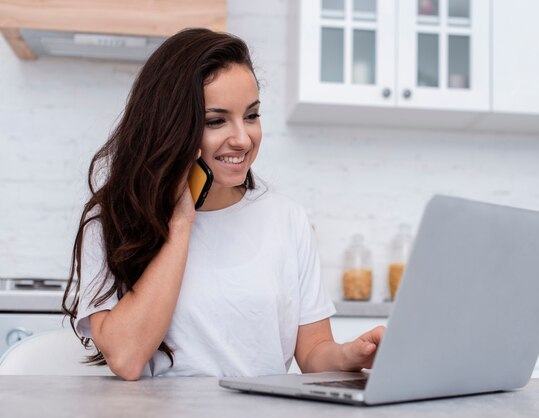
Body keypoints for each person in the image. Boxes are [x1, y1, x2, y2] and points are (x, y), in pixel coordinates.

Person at [62, 28, 384, 381]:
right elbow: (126, 358)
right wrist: (180, 224)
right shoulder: (113, 219)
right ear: (170, 127)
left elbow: (312, 352)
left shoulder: (286, 218)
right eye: (216, 121)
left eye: (251, 115)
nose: (243, 139)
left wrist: (351, 354)